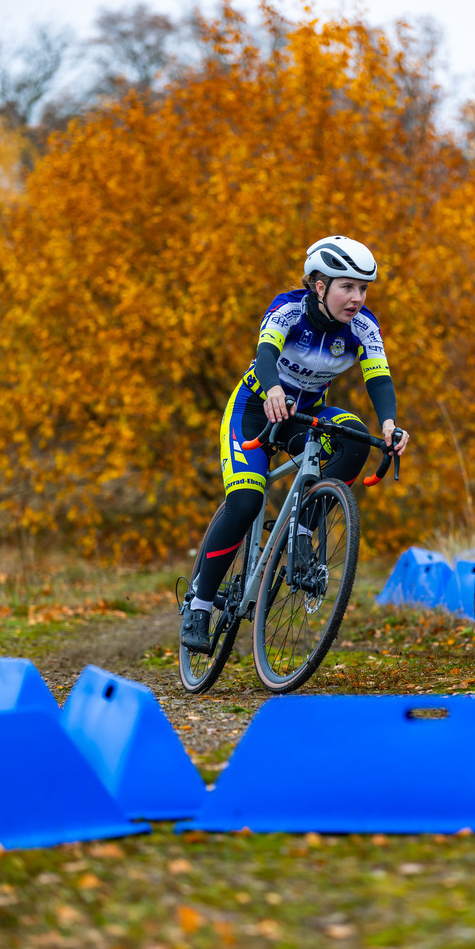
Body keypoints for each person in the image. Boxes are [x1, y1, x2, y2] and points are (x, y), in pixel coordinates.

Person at [180, 235, 410, 653]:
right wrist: (271, 390)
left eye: (363, 289)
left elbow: (379, 378)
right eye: (347, 287)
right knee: (247, 501)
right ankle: (199, 602)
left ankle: (300, 529)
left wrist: (391, 425)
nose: (357, 297)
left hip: (303, 414)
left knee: (355, 437)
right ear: (319, 286)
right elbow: (266, 354)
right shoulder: (287, 310)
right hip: (254, 408)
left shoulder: (363, 327)